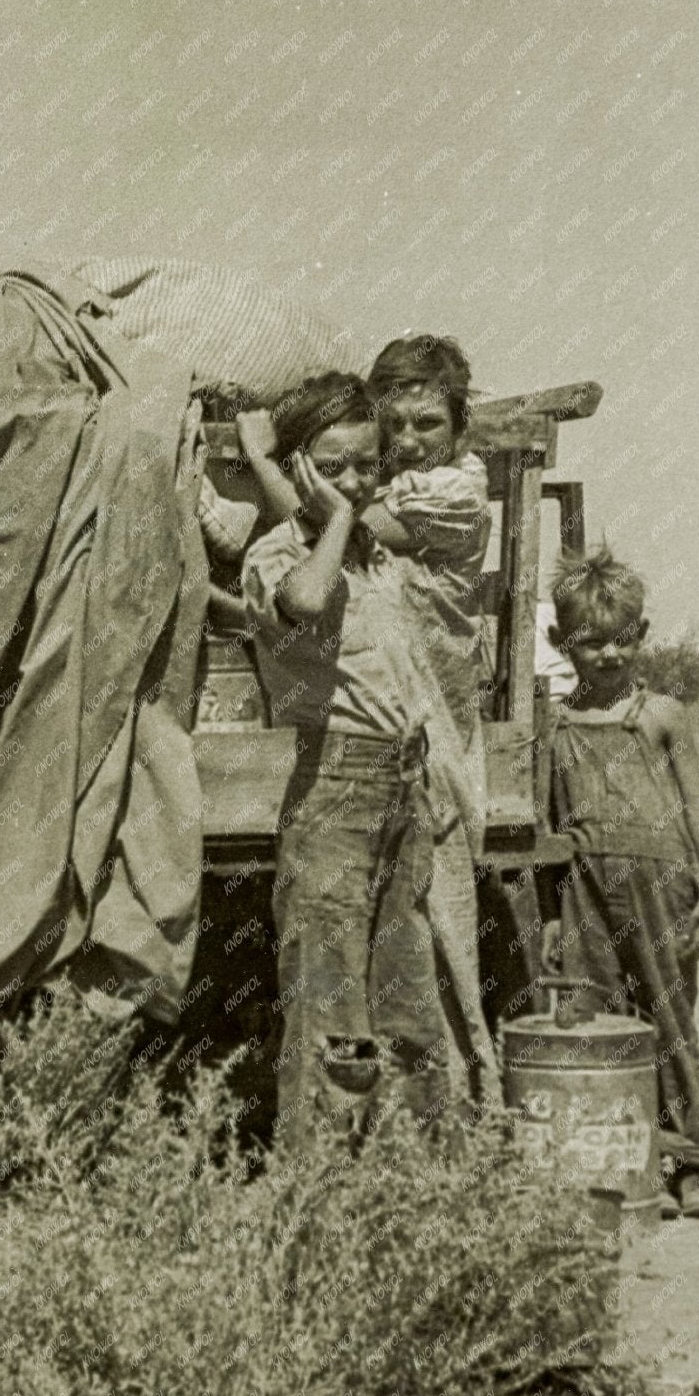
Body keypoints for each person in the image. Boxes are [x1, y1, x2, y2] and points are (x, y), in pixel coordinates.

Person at [240, 372, 445, 1149]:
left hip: (402, 784)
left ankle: (413, 1176)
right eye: (335, 467)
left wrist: (337, 513)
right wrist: (324, 516)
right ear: (298, 470)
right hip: (334, 791)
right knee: (330, 1007)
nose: (356, 482)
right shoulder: (281, 555)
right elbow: (304, 601)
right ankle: (323, 1189)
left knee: (406, 998)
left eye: (367, 464)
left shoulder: (372, 555)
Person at [547, 547, 699, 1220]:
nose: (607, 656)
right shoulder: (553, 726)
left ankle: (692, 1164)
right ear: (557, 642)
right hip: (582, 891)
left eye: (622, 640)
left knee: (670, 1018)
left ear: (642, 636)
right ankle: (622, 1162)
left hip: (663, 888)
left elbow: (696, 803)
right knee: (595, 1017)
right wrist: (548, 913)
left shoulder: (661, 715)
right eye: (590, 642)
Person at [364, 336, 496, 1105]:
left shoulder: (453, 494)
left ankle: (465, 1104)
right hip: (386, 731)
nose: (408, 442)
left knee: (438, 927)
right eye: (394, 425)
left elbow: (334, 529)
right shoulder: (383, 485)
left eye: (427, 424)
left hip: (437, 741)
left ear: (459, 434)